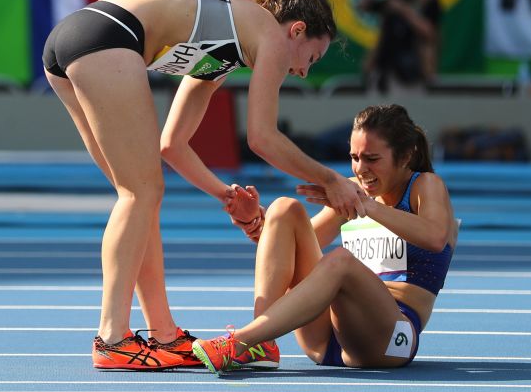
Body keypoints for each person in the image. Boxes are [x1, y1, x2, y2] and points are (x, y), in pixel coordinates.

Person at [41, 0, 367, 370]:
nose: (302, 71)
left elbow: (172, 144)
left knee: (139, 201)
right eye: (312, 58)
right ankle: (111, 338)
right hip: (106, 37)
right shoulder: (267, 32)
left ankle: (164, 334)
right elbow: (262, 138)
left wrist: (227, 196)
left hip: (74, 39)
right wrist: (331, 179)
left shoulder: (224, 47)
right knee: (140, 193)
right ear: (296, 30)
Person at [190, 104, 458, 375]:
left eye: (372, 159)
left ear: (405, 156)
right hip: (326, 337)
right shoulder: (354, 191)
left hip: (390, 340)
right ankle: (261, 344)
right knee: (284, 208)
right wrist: (257, 223)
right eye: (355, 157)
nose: (360, 168)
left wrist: (369, 206)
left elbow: (435, 237)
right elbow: (289, 251)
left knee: (341, 260)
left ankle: (241, 341)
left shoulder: (425, 185)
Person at [358, 0, 442, 95]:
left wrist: (403, 10)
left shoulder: (427, 0)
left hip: (412, 71)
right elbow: (362, 6)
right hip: (383, 69)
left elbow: (430, 32)